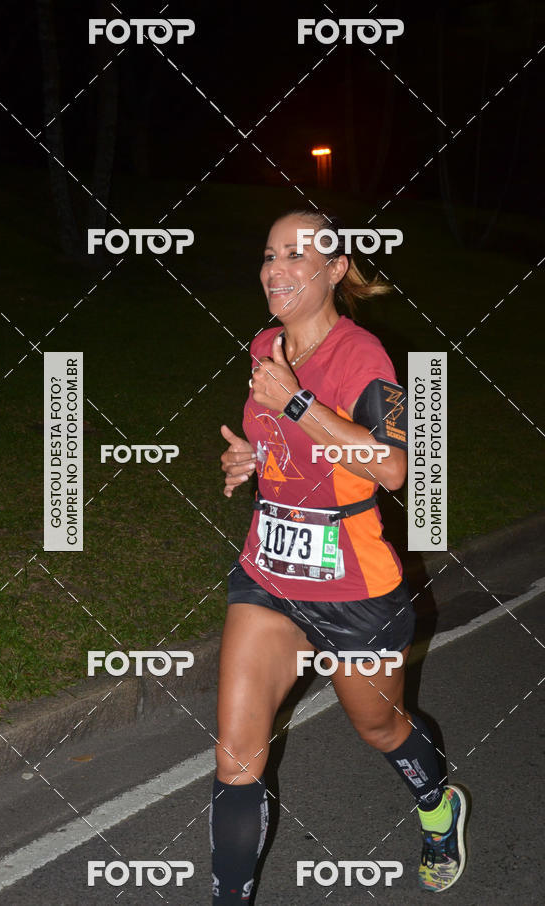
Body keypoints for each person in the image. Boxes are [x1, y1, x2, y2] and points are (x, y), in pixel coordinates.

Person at [210, 209, 468, 902]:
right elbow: (281, 447)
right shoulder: (267, 344)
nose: (275, 270)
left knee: (379, 724)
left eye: (297, 256)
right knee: (236, 757)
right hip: (270, 574)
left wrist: (297, 405)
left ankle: (438, 804)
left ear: (335, 270)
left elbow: (392, 468)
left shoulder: (365, 358)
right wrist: (251, 457)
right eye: (269, 255)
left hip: (354, 587)